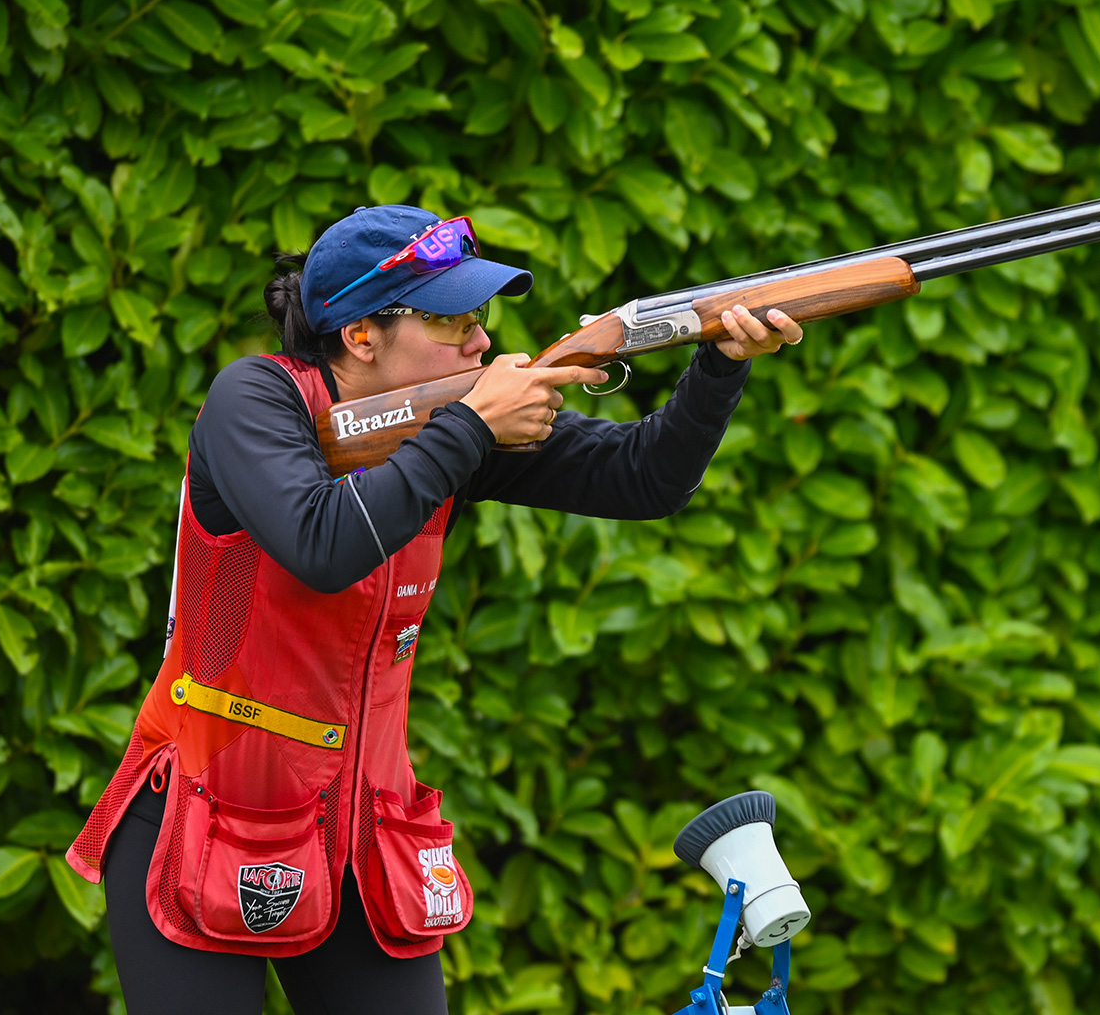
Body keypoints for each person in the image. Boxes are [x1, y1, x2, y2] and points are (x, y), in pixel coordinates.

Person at [64, 205, 806, 1015]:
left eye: (479, 317)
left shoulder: (445, 426)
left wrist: (720, 365)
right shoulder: (255, 398)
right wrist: (471, 428)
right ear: (359, 335)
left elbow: (645, 479)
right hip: (200, 822)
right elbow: (322, 543)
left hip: (367, 849)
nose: (481, 343)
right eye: (452, 319)